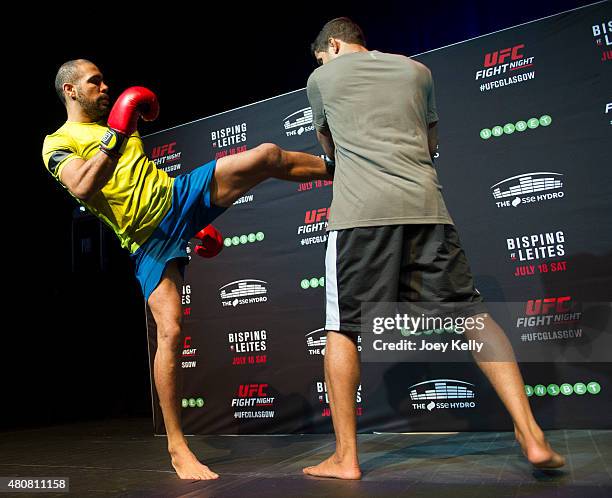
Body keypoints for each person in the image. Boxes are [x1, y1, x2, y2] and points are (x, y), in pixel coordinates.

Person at [42, 59, 331, 480]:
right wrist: (116, 135)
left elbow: (140, 177)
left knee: (266, 155)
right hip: (146, 239)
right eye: (95, 81)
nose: (106, 87)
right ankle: (178, 448)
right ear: (70, 90)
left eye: (105, 80)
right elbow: (85, 187)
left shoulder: (122, 126)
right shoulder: (57, 142)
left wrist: (197, 221)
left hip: (178, 198)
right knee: (172, 331)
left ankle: (343, 170)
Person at [302, 18, 565, 480]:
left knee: (342, 329)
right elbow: (430, 143)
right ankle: (532, 434)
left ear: (335, 46)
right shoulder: (417, 71)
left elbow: (332, 151)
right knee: (473, 317)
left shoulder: (320, 78)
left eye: (323, 55)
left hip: (362, 216)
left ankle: (345, 458)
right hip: (427, 209)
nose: (323, 64)